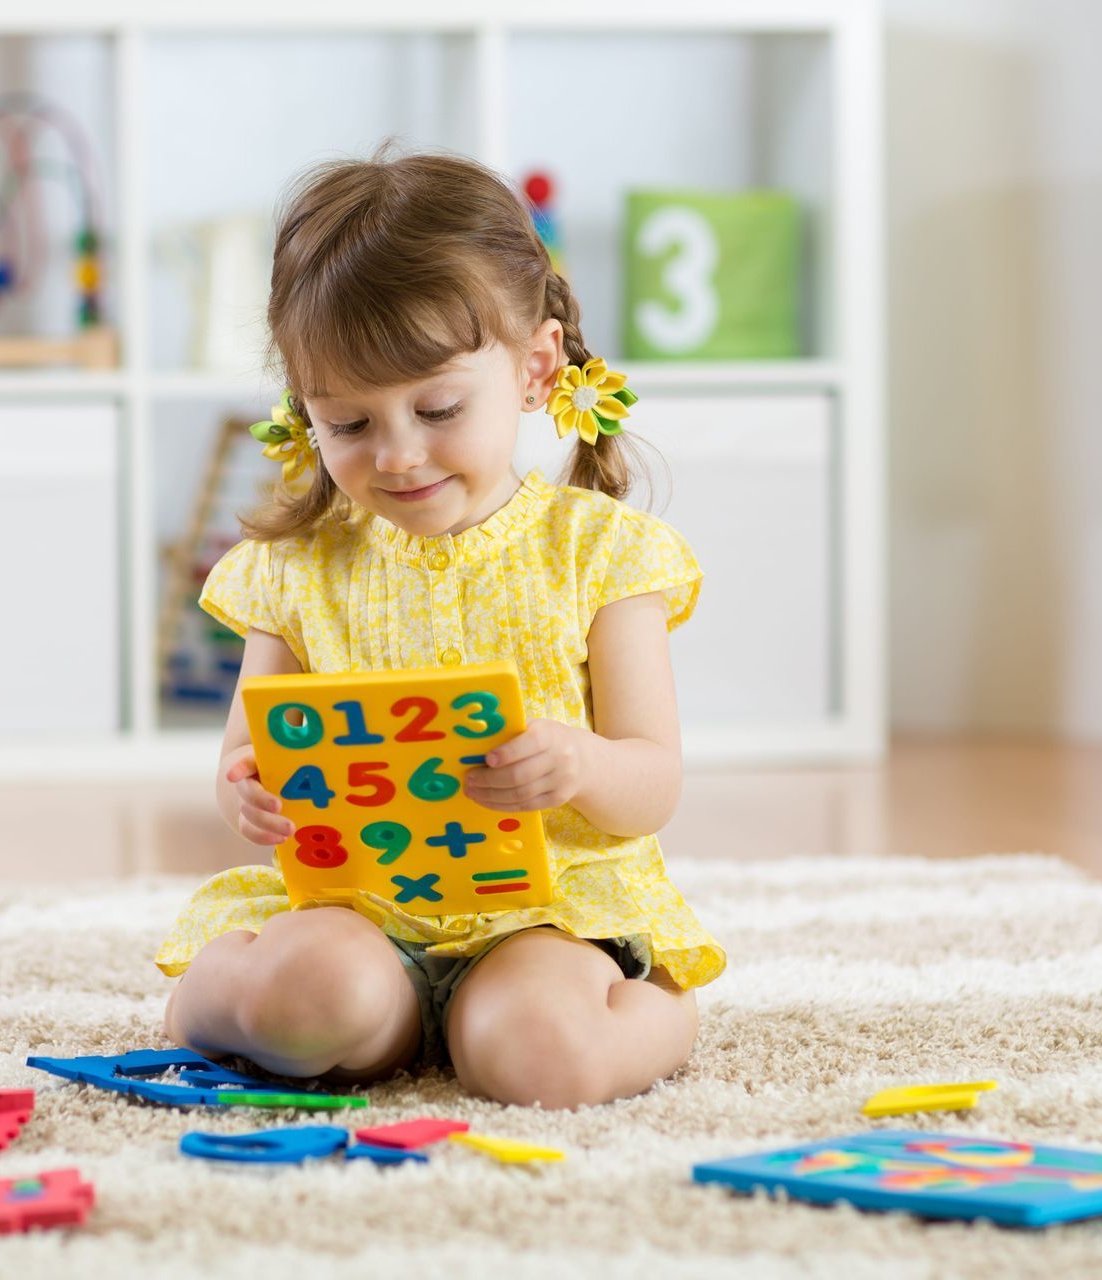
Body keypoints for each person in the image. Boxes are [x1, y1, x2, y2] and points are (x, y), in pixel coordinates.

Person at [156, 146, 725, 1110]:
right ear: (306, 411)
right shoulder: (297, 569)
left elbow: (653, 782)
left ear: (536, 369)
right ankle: (254, 1003)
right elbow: (250, 755)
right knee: (307, 1002)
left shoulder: (603, 555)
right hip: (360, 914)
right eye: (349, 425)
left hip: (547, 919)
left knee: (540, 1057)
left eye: (438, 408)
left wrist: (578, 765)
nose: (400, 454)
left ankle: (661, 1008)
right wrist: (246, 792)